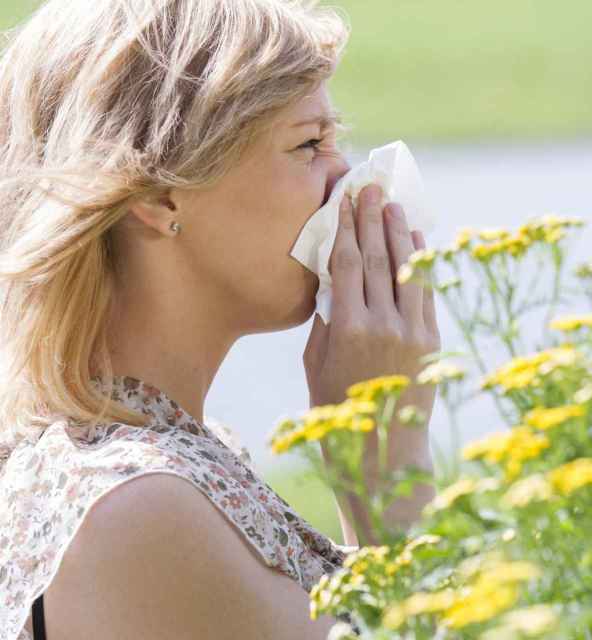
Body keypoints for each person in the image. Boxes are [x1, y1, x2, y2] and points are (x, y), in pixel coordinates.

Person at [0, 1, 440, 638]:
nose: (345, 175)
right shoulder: (140, 505)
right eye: (309, 143)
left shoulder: (153, 460)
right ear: (159, 194)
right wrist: (384, 457)